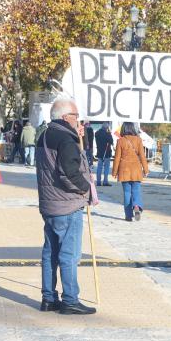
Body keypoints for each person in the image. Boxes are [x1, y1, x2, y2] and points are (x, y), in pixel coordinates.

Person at [36, 97, 95, 315]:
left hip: (49, 202)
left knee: (50, 253)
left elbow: (69, 160)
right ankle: (70, 299)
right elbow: (69, 172)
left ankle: (48, 298)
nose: (78, 120)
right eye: (75, 116)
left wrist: (80, 138)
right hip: (67, 204)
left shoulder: (44, 135)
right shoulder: (65, 139)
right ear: (65, 117)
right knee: (69, 255)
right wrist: (85, 188)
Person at [112, 122, 148, 221]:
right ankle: (136, 206)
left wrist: (114, 172)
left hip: (124, 170)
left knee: (127, 193)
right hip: (136, 169)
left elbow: (117, 158)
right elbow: (142, 156)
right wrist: (145, 169)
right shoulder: (138, 140)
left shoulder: (120, 141)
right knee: (136, 190)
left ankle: (128, 215)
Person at [94, 121, 114, 186]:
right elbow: (111, 141)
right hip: (106, 152)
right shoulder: (107, 134)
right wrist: (109, 133)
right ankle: (105, 181)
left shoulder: (97, 133)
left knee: (99, 167)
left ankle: (98, 181)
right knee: (106, 168)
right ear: (107, 127)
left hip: (99, 152)